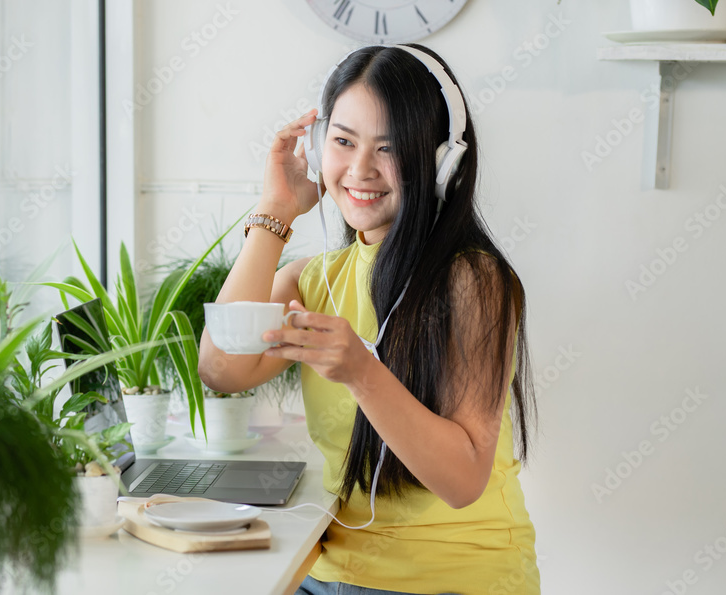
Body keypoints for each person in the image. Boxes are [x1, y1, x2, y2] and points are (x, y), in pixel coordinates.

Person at [197, 44, 540, 594]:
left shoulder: (474, 281)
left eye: (391, 148)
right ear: (317, 145)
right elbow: (221, 367)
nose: (360, 170)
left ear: (441, 158)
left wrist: (361, 369)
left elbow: (463, 480)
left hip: (452, 577)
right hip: (324, 570)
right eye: (342, 141)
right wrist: (276, 211)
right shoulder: (317, 279)